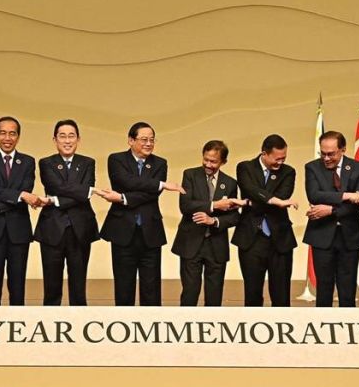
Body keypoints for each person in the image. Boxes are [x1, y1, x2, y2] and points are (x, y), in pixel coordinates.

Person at [98, 122, 185, 306]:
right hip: (122, 231)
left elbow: (151, 195)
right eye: (144, 139)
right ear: (131, 140)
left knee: (151, 287)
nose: (148, 144)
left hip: (150, 231)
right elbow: (125, 181)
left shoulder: (160, 163)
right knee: (123, 285)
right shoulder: (116, 159)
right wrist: (161, 184)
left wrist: (122, 198)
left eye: (152, 140)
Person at [34, 120, 100, 305]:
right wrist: (82, 191)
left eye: (71, 136)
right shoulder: (46, 163)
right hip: (52, 228)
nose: (67, 140)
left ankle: (79, 322)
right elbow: (56, 186)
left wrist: (55, 200)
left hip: (80, 228)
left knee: (78, 284)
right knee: (52, 284)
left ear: (78, 139)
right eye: (62, 136)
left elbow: (84, 193)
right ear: (55, 140)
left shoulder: (87, 162)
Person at [302, 130, 359, 307]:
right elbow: (315, 195)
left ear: (343, 150)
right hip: (322, 236)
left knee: (347, 290)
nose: (326, 158)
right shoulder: (312, 167)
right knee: (323, 290)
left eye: (331, 154)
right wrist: (347, 196)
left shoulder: (358, 168)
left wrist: (331, 210)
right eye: (322, 153)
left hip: (349, 236)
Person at [172, 140, 244, 306]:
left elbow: (234, 216)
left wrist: (214, 220)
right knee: (190, 292)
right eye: (206, 159)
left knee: (214, 295)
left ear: (223, 162)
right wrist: (215, 205)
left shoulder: (230, 183)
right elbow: (186, 206)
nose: (208, 164)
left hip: (216, 245)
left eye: (213, 161)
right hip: (191, 243)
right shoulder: (190, 175)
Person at [0, 116, 40, 305]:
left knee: (18, 284)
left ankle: (17, 327)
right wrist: (20, 195)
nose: (7, 138)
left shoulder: (27, 161)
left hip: (18, 230)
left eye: (12, 133)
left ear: (18, 137)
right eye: (3, 133)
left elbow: (26, 189)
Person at [232, 134, 298, 307]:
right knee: (252, 294)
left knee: (281, 294)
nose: (280, 162)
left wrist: (252, 202)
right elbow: (249, 188)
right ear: (264, 153)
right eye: (277, 159)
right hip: (251, 239)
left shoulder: (288, 172)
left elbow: (284, 195)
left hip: (280, 240)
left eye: (284, 158)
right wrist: (274, 201)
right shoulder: (245, 167)